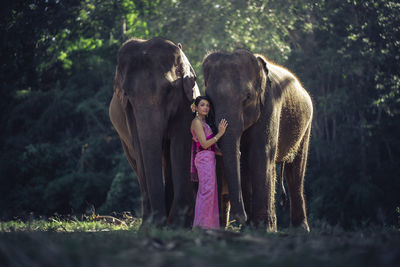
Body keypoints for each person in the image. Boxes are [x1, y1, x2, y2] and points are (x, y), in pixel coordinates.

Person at [190, 96, 228, 229]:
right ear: (196, 107)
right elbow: (205, 144)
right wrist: (220, 133)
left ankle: (210, 226)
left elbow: (211, 147)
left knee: (211, 192)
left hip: (209, 158)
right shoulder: (196, 122)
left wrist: (228, 154)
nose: (205, 107)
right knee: (206, 192)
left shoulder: (204, 122)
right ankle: (201, 227)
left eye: (207, 105)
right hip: (203, 159)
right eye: (202, 105)